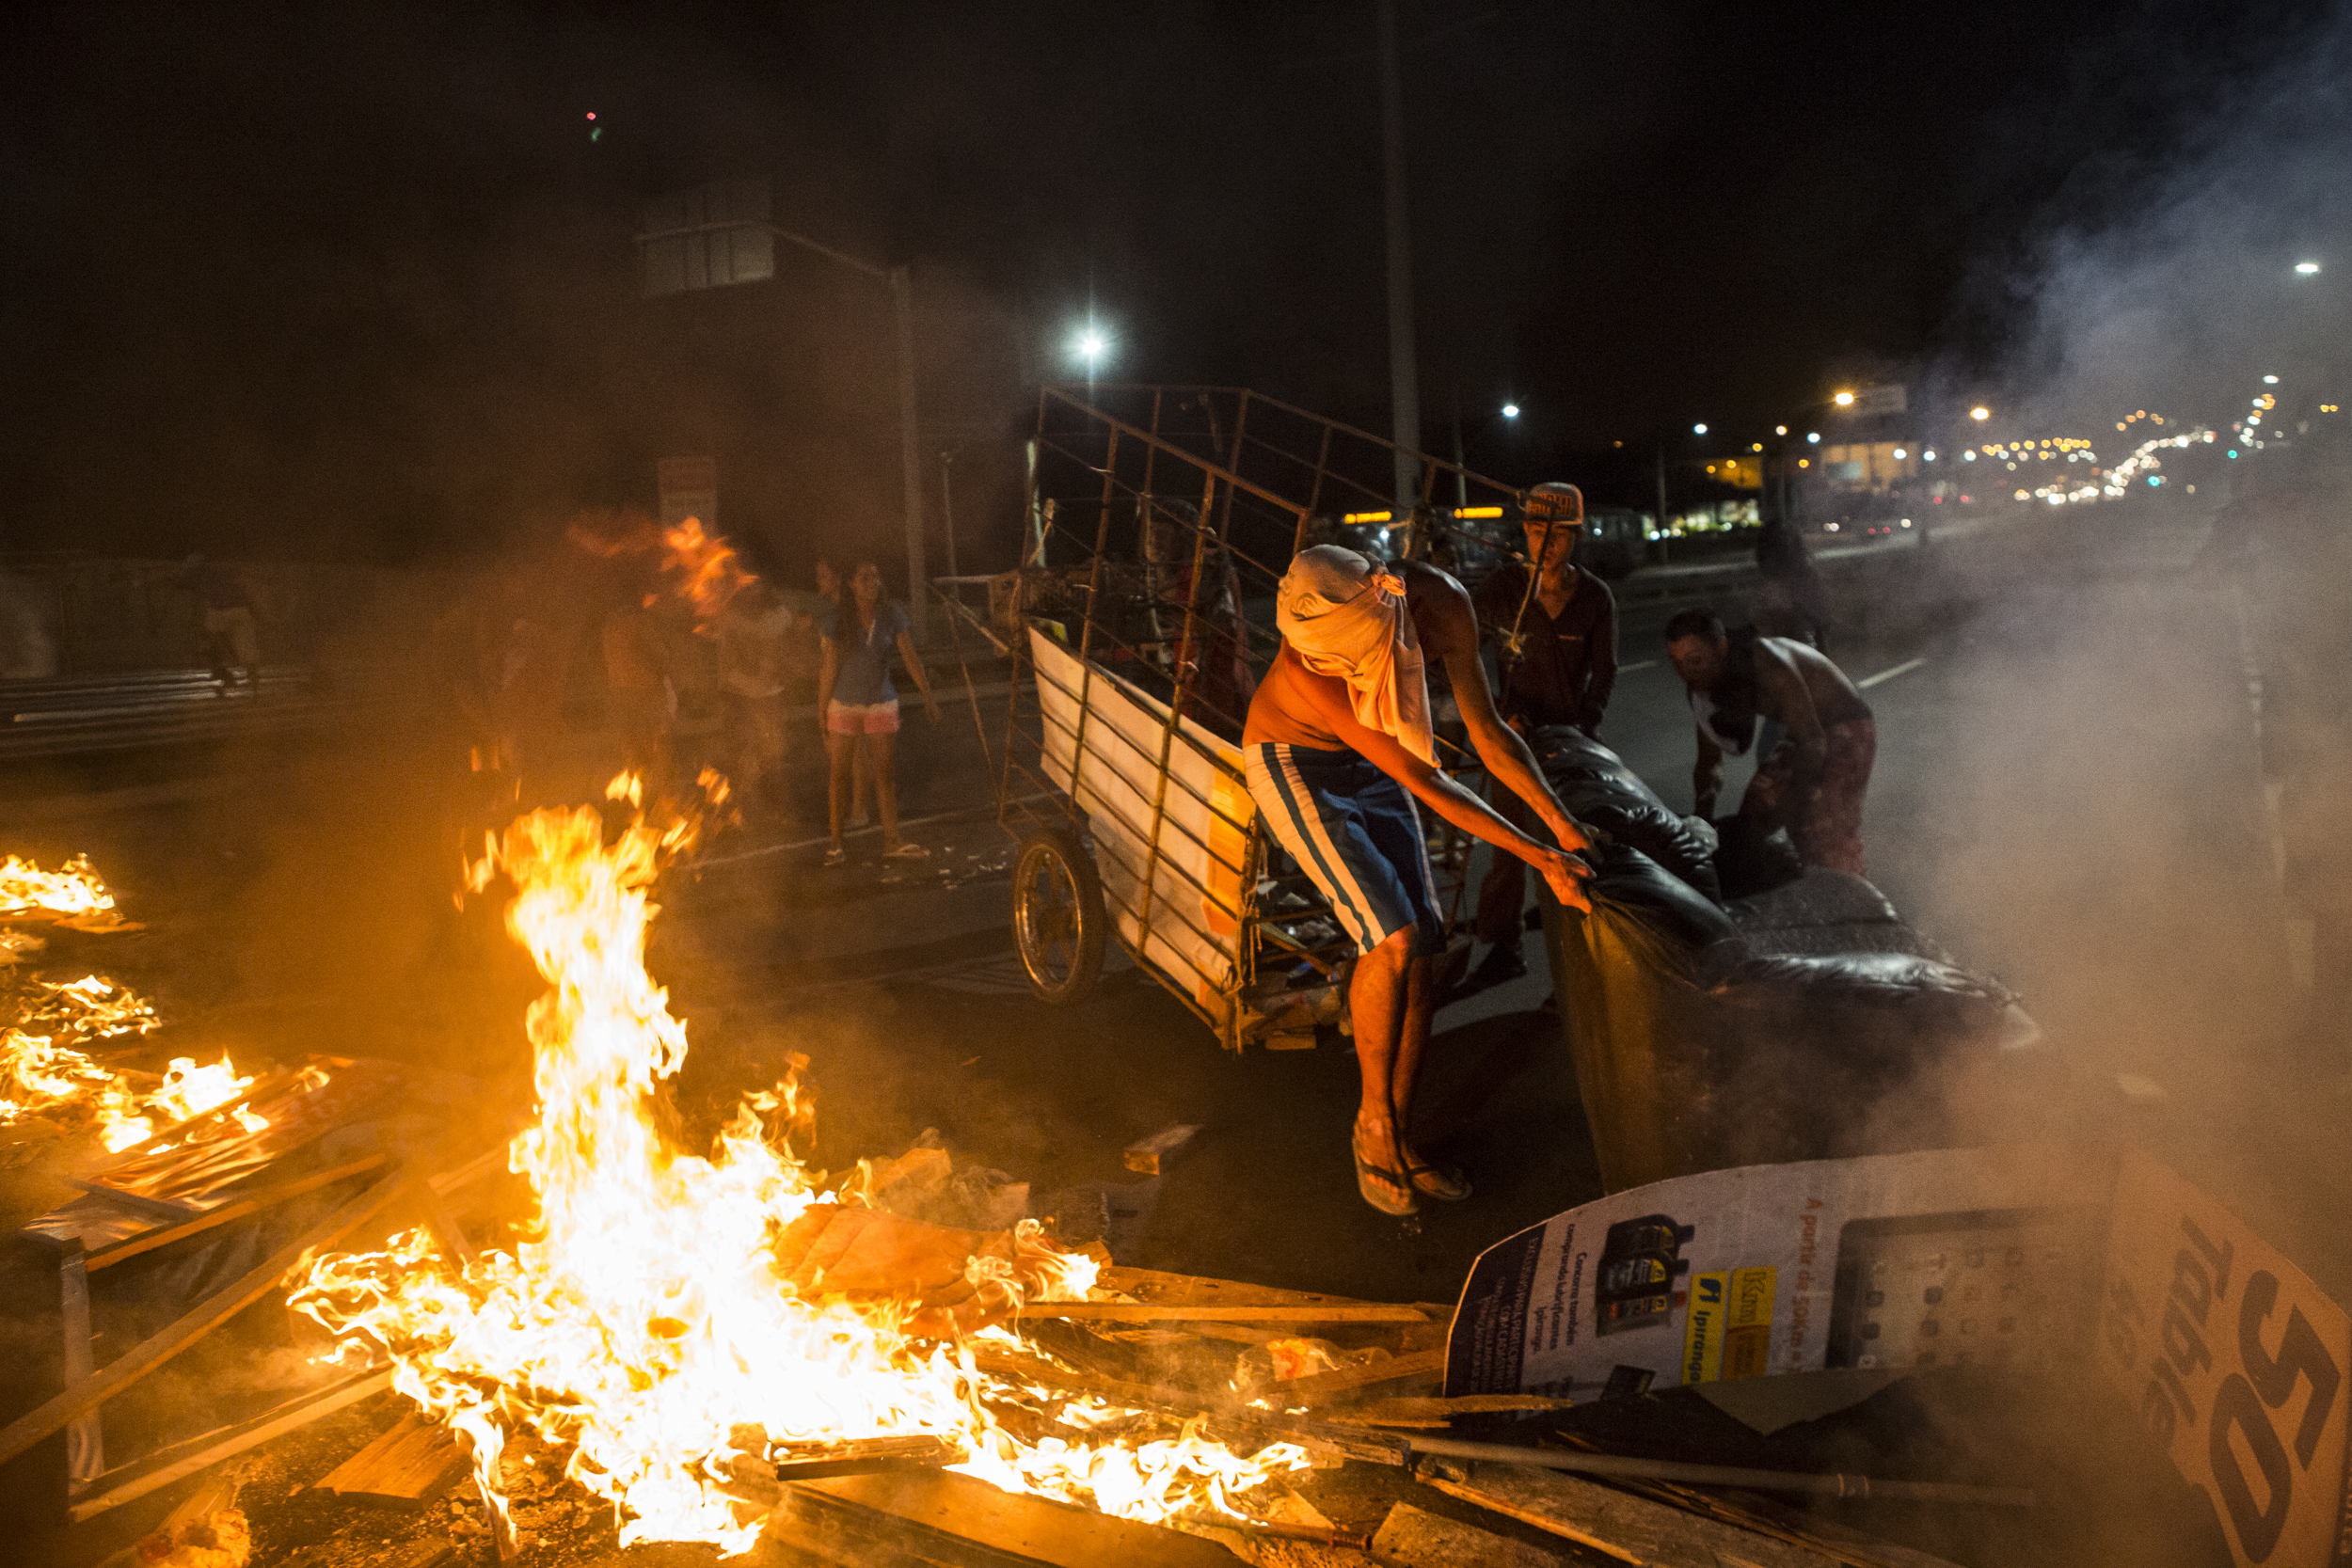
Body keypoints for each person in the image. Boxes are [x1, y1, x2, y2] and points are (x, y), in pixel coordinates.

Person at [1243, 545, 1591, 1216]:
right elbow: (1428, 782)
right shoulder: (1310, 664)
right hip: (1295, 764)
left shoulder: (1444, 604)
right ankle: (1371, 1124)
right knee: (1394, 937)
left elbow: (1487, 730)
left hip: (1374, 765)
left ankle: (1400, 1134)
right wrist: (1543, 857)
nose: (1348, 667)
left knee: (1426, 953)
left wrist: (1561, 822)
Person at [1468, 483, 1619, 984]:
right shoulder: (1504, 589)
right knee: (1509, 847)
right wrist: (1499, 713)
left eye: (1557, 534)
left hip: (1570, 742)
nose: (1544, 543)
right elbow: (1464, 649)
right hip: (1514, 739)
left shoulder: (1594, 597)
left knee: (1574, 842)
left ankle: (1585, 956)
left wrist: (1584, 725)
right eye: (1535, 531)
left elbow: (1605, 671)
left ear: (1576, 537)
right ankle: (1502, 945)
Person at [1664, 609, 1876, 876]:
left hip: (1847, 727)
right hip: (1803, 735)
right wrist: (1701, 823)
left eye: (1695, 659)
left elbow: (1814, 743)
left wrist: (1796, 806)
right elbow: (1709, 763)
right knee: (1752, 816)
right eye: (1676, 662)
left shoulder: (1768, 662)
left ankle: (1854, 893)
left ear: (1721, 647)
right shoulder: (1699, 688)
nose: (1686, 671)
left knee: (1820, 827)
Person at [818, 560, 940, 864]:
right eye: (863, 577)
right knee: (839, 775)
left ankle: (892, 840)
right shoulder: (838, 619)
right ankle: (835, 845)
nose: (871, 582)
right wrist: (821, 711)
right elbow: (828, 668)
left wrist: (928, 695)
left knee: (883, 774)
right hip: (845, 703)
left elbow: (909, 656)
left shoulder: (891, 613)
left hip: (881, 701)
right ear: (851, 584)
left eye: (874, 576)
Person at [717, 577, 794, 816]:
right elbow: (726, 661)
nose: (752, 590)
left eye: (757, 584)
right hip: (739, 696)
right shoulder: (730, 619)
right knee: (744, 754)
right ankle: (746, 811)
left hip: (769, 696)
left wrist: (772, 671)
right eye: (747, 585)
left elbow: (787, 651)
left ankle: (776, 810)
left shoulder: (779, 616)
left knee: (772, 754)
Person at [814, 559, 875, 827]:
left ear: (839, 579)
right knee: (855, 753)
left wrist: (821, 708)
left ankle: (859, 811)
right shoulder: (853, 612)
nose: (818, 581)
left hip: (850, 692)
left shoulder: (839, 618)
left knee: (854, 754)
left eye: (823, 576)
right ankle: (860, 807)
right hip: (863, 689)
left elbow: (830, 667)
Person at [179, 554, 261, 692]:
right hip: (236, 609)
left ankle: (227, 672)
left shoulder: (202, 564)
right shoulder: (227, 563)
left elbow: (184, 580)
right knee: (245, 648)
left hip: (221, 610)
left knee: (212, 640)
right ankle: (250, 679)